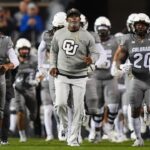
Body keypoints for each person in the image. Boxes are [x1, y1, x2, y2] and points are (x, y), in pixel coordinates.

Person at [50, 8, 99, 146]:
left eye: (76, 17)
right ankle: (65, 126)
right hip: (62, 74)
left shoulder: (87, 36)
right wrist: (52, 65)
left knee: (78, 108)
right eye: (71, 17)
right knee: (60, 104)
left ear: (79, 19)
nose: (73, 19)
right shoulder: (59, 33)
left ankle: (73, 139)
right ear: (67, 20)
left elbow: (95, 53)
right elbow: (53, 51)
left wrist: (92, 59)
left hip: (79, 75)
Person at [111, 13, 150, 146]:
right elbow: (118, 56)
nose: (140, 27)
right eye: (138, 24)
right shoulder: (127, 39)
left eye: (142, 24)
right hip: (136, 79)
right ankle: (138, 138)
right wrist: (119, 67)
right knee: (134, 109)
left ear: (147, 26)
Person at [87, 16, 119, 142]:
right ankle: (95, 130)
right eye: (100, 31)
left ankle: (109, 127)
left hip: (110, 77)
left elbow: (124, 51)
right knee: (98, 106)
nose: (102, 33)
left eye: (104, 31)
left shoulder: (115, 41)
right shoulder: (91, 42)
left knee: (114, 105)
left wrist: (118, 65)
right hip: (96, 77)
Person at [37, 11, 67, 141]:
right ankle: (62, 126)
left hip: (68, 71)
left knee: (69, 102)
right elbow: (40, 49)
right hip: (54, 71)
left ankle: (71, 129)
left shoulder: (75, 35)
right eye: (57, 27)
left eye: (61, 27)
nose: (58, 30)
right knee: (57, 102)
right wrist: (41, 66)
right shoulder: (47, 35)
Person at [13, 38, 38, 142]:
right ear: (17, 50)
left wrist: (37, 79)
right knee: (20, 111)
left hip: (30, 88)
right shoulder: (13, 59)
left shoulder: (34, 59)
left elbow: (41, 70)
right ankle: (22, 135)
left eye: (26, 49)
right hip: (18, 89)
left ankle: (32, 121)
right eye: (22, 49)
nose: (24, 51)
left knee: (33, 114)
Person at [0, 30, 19, 142]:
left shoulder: (6, 43)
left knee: (5, 111)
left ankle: (4, 138)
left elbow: (15, 62)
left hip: (6, 82)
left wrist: (7, 65)